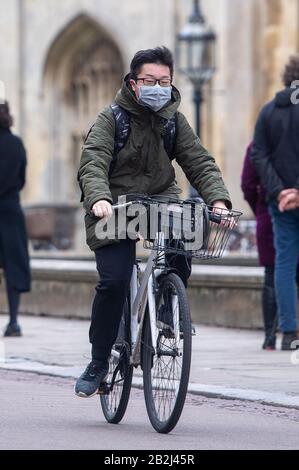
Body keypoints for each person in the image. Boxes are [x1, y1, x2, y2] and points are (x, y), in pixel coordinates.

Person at [76, 46, 232, 397]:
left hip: (160, 198)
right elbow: (93, 161)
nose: (158, 87)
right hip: (114, 204)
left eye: (164, 81)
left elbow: (198, 160)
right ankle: (99, 360)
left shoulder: (174, 119)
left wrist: (218, 201)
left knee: (186, 230)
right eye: (150, 80)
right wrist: (99, 198)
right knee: (113, 282)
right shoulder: (110, 117)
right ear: (134, 83)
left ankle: (167, 304)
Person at [251, 55, 299, 351]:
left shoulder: (268, 112)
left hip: (279, 204)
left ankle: (289, 332)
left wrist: (280, 191)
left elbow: (259, 155)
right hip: (286, 199)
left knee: (283, 263)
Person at [241, 143, 277, 350]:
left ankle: (270, 336)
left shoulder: (257, 146)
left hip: (267, 213)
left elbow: (247, 184)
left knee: (271, 274)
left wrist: (260, 208)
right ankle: (291, 331)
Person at [0, 101, 31, 336]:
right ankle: (13, 322)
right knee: (13, 267)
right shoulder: (17, 144)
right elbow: (21, 180)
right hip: (11, 210)